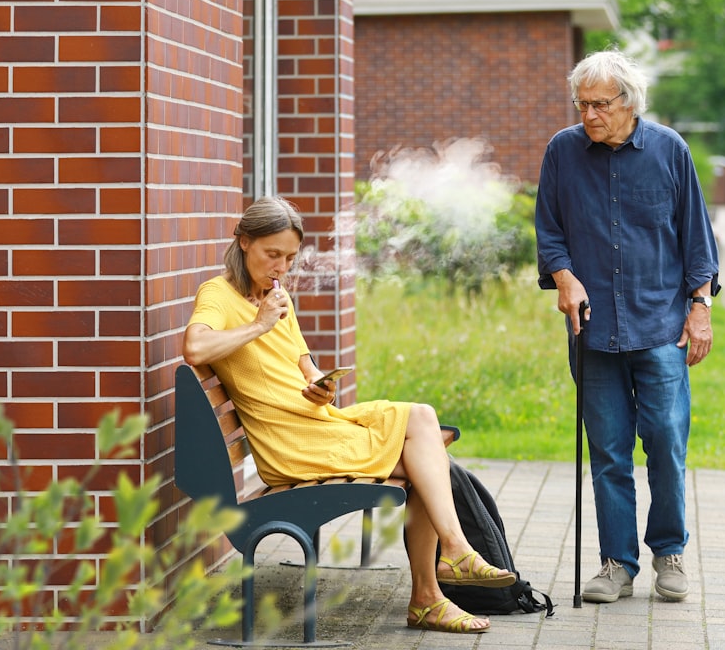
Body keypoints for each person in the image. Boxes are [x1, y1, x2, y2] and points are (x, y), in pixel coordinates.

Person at [183, 196, 515, 634]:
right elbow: (194, 348)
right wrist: (259, 325)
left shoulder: (276, 296)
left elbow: (304, 363)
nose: (281, 266)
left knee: (422, 417)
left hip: (316, 423)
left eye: (290, 257)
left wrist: (322, 385)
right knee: (424, 461)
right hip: (291, 445)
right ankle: (433, 590)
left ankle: (449, 560)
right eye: (272, 255)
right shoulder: (218, 295)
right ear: (243, 242)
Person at [534, 49, 719, 604]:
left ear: (629, 102)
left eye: (600, 104)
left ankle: (669, 552)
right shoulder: (562, 153)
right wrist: (563, 277)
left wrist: (701, 305)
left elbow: (696, 238)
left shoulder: (669, 150)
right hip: (593, 331)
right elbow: (549, 232)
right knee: (608, 451)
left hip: (660, 324)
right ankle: (617, 563)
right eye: (582, 104)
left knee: (664, 442)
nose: (589, 115)